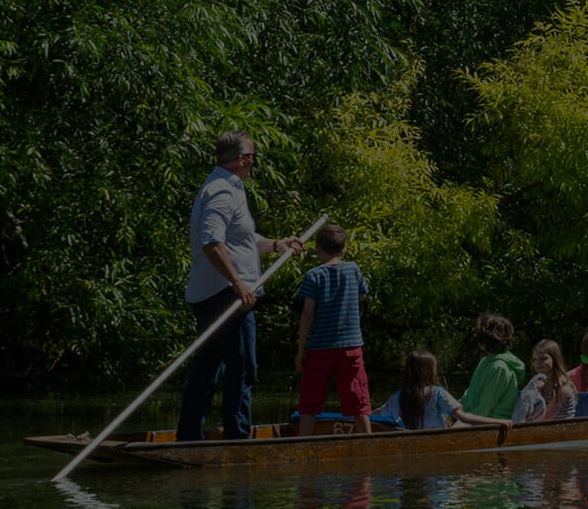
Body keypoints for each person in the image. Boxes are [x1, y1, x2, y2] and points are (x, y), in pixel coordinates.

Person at [176, 130, 303, 442]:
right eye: (252, 158)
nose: (253, 164)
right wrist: (238, 284)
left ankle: (190, 437)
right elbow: (212, 243)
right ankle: (237, 439)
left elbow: (241, 241)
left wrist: (277, 244)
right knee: (242, 370)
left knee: (209, 370)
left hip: (216, 295)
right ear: (242, 159)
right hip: (225, 298)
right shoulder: (221, 191)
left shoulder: (228, 187)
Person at [293, 224, 372, 436]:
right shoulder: (353, 269)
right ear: (344, 250)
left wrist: (301, 350)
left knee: (309, 402)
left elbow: (308, 313)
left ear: (318, 249)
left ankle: (303, 448)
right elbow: (362, 295)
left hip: (320, 347)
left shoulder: (313, 276)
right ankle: (368, 445)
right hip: (351, 345)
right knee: (358, 400)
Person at [377, 350, 513, 430]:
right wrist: (498, 421)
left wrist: (357, 417)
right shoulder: (437, 394)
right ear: (430, 372)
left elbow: (376, 414)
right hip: (436, 458)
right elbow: (464, 417)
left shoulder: (398, 397)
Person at [460, 313, 525, 419]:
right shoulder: (486, 361)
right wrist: (457, 408)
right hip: (476, 415)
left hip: (492, 420)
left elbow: (486, 405)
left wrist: (465, 419)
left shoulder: (499, 367)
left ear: (487, 339)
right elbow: (471, 392)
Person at [512, 339, 578, 422]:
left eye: (543, 358)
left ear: (555, 360)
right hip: (542, 430)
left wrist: (537, 393)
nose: (538, 363)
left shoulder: (562, 389)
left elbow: (546, 418)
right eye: (535, 359)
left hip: (561, 431)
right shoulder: (536, 384)